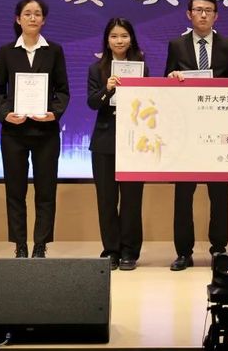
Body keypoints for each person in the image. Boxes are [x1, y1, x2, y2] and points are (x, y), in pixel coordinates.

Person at [164, 0, 228, 271]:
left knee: (219, 195)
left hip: (217, 132)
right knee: (183, 195)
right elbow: (166, 86)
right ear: (189, 14)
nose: (203, 15)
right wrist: (171, 78)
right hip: (185, 133)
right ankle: (183, 252)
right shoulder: (177, 45)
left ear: (216, 15)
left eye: (208, 10)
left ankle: (219, 249)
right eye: (198, 10)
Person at [0, 0, 70, 258]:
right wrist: (6, 114)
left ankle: (40, 245)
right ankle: (20, 244)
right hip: (14, 132)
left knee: (46, 191)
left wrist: (54, 113)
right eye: (27, 13)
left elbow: (63, 90)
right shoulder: (7, 52)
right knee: (15, 191)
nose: (32, 18)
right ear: (18, 19)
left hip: (46, 132)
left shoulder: (54, 51)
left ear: (43, 20)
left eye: (37, 14)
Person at [87, 18, 148, 271]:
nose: (119, 41)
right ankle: (111, 250)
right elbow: (92, 102)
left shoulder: (141, 67)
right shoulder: (96, 69)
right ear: (107, 40)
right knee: (107, 200)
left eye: (124, 36)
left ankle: (129, 252)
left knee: (132, 201)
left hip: (134, 141)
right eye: (114, 36)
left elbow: (149, 101)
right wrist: (108, 88)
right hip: (104, 141)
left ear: (131, 39)